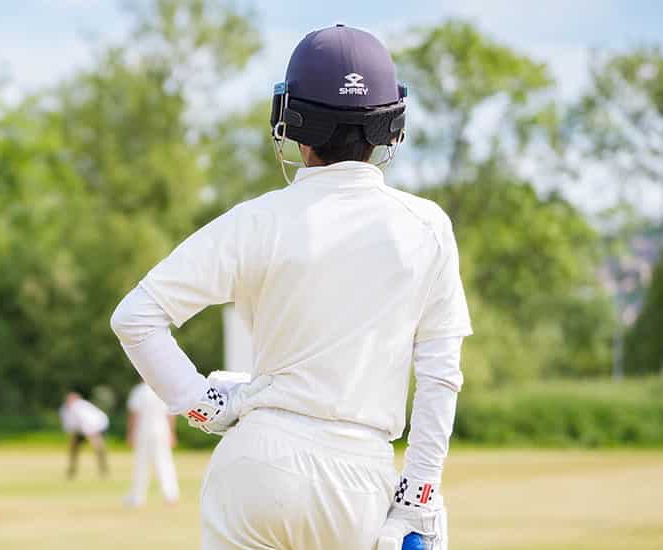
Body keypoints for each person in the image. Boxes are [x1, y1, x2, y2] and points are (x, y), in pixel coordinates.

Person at [109, 24, 468, 549]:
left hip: (255, 464)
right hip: (359, 478)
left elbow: (135, 317)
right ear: (391, 124)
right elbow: (440, 375)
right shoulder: (427, 226)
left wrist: (205, 405)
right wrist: (417, 497)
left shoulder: (257, 219)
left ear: (291, 122)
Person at [124, 383, 179, 507]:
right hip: (162, 430)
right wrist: (171, 432)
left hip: (143, 430)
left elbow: (134, 415)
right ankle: (171, 495)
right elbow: (170, 414)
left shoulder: (139, 391)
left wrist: (130, 432)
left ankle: (137, 498)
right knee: (164, 461)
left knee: (141, 463)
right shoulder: (162, 389)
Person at [60, 391, 110, 480]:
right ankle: (72, 471)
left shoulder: (80, 408)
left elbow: (88, 423)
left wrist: (92, 438)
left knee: (98, 448)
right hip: (79, 429)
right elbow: (68, 426)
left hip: (96, 426)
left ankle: (103, 469)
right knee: (73, 449)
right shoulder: (64, 409)